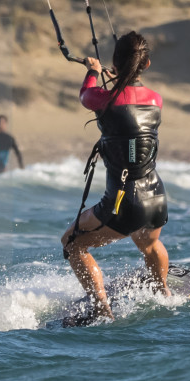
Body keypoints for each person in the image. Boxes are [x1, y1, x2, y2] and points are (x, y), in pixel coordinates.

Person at [60, 31, 169, 323]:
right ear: (145, 65)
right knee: (149, 244)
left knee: (72, 242)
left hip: (124, 203)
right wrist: (121, 76)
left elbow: (87, 95)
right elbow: (130, 107)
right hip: (156, 197)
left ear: (115, 63)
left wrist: (94, 72)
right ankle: (164, 294)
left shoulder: (104, 101)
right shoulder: (157, 100)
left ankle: (101, 309)